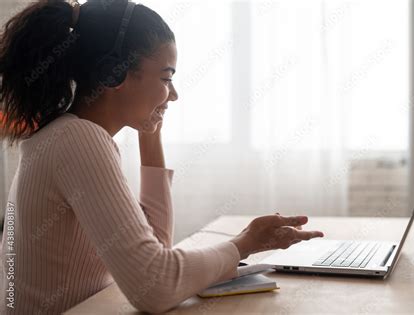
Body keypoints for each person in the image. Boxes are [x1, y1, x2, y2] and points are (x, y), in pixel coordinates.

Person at [0, 0, 324, 313]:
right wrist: (245, 243)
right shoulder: (77, 139)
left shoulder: (70, 134)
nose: (174, 94)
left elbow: (157, 248)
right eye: (166, 78)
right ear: (114, 73)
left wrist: (150, 131)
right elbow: (155, 288)